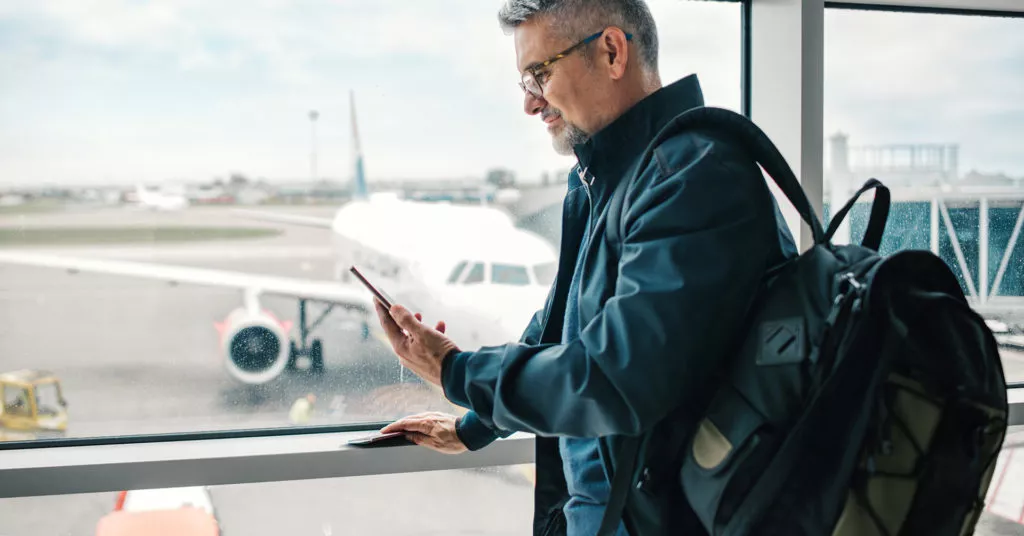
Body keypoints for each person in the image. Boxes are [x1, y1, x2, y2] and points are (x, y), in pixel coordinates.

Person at [376, 0, 798, 534]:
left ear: (612, 51)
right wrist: (475, 425)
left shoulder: (692, 177)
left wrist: (458, 373)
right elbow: (560, 328)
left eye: (540, 74)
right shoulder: (610, 179)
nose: (531, 104)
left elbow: (616, 377)